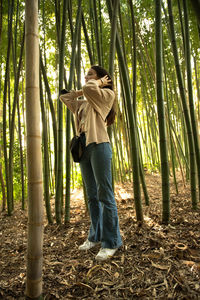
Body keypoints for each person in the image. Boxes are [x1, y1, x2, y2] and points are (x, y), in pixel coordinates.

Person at [60, 65, 122, 261]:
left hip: (100, 146)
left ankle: (111, 242)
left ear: (103, 79)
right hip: (84, 148)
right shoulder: (85, 102)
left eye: (90, 74)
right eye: (85, 74)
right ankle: (95, 236)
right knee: (92, 196)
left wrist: (99, 83)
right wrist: (84, 87)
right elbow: (65, 97)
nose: (86, 77)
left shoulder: (106, 96)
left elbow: (89, 89)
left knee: (105, 194)